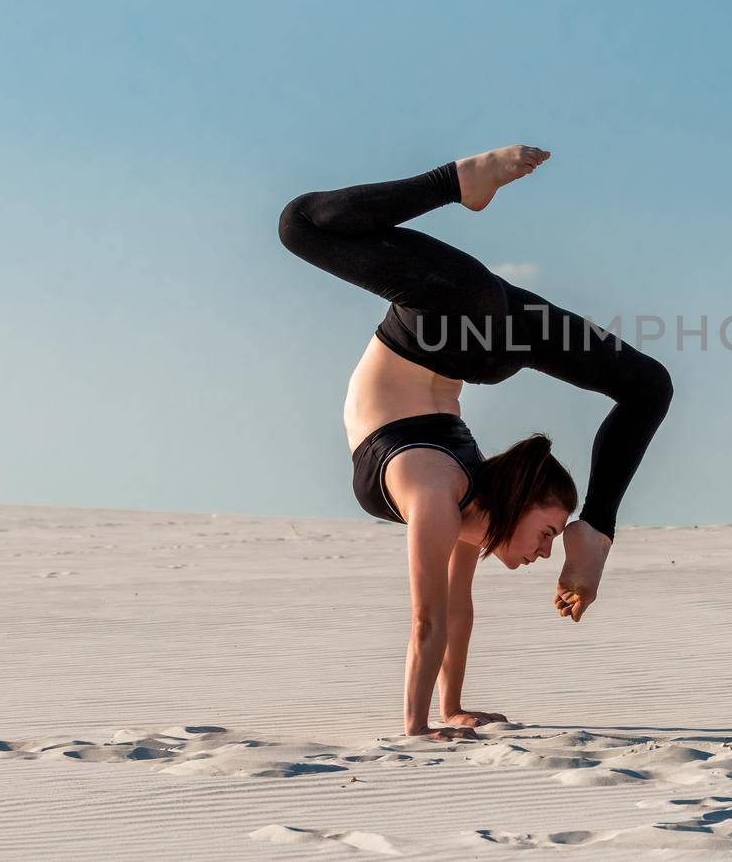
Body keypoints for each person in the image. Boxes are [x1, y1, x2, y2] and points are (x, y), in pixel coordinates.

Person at [277, 144, 673, 739]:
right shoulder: (451, 491)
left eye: (550, 538)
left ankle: (595, 529)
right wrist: (425, 723)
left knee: (302, 223)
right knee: (300, 223)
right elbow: (435, 616)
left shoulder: (449, 499)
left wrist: (441, 715)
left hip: (471, 320)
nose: (545, 553)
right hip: (461, 317)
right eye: (550, 535)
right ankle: (453, 182)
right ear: (513, 502)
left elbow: (442, 612)